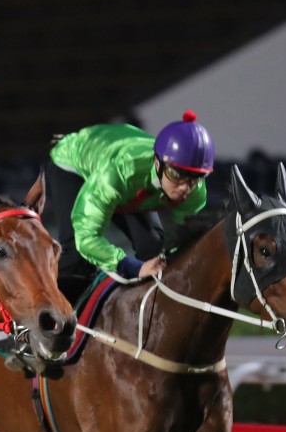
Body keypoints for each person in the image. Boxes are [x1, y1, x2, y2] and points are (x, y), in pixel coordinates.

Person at [48, 109, 214, 297]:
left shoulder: (196, 192)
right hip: (75, 164)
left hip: (126, 182)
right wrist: (131, 267)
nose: (185, 187)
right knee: (77, 259)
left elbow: (179, 242)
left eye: (195, 178)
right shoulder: (122, 172)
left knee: (154, 248)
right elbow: (86, 238)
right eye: (176, 175)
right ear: (158, 164)